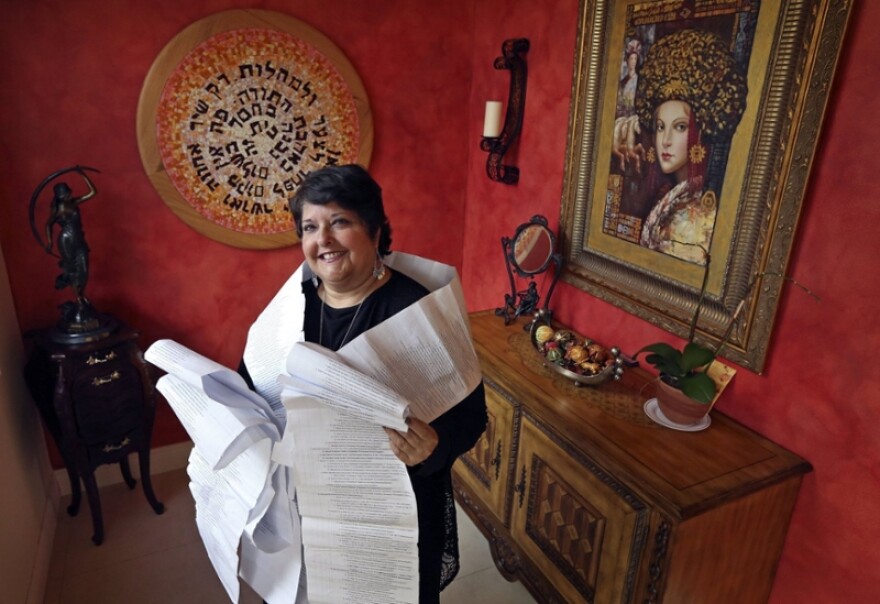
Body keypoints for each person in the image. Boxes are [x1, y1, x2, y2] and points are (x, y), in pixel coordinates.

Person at [238, 164, 488, 603]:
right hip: (312, 506)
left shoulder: (419, 309)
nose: (324, 240)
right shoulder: (287, 314)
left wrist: (434, 446)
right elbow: (251, 388)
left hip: (398, 509)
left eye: (340, 222)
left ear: (375, 232)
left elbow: (472, 417)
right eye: (310, 227)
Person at [633, 29, 748, 264]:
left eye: (680, 127)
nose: (665, 140)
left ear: (699, 132)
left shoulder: (702, 213)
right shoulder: (668, 197)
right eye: (660, 127)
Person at [44, 168, 97, 304]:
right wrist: (49, 242)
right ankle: (79, 298)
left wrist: (84, 176)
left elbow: (92, 193)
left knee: (84, 269)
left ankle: (81, 293)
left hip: (79, 240)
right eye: (66, 193)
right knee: (72, 270)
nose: (69, 194)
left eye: (68, 192)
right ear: (60, 196)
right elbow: (48, 225)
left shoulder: (74, 202)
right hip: (66, 241)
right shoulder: (57, 209)